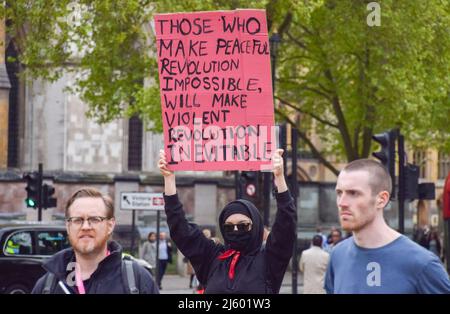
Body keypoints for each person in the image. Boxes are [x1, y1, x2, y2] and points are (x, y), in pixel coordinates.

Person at [158, 148, 297, 294]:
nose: (236, 230)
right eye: (229, 227)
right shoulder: (212, 257)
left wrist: (279, 178)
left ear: (255, 226)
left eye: (243, 226)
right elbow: (181, 230)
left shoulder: (269, 259)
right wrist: (169, 179)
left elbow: (286, 224)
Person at [325, 159, 450, 293]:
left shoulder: (422, 263)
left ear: (382, 199)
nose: (342, 202)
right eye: (339, 193)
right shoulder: (337, 255)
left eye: (353, 193)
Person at [32, 187, 158, 294]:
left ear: (110, 225)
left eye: (94, 219)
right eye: (77, 220)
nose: (85, 226)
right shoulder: (46, 286)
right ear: (68, 226)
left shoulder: (139, 281)